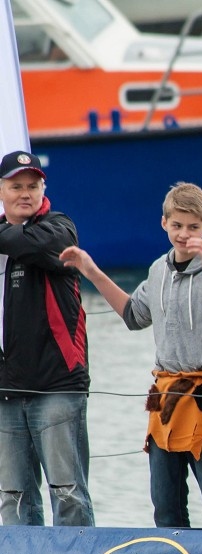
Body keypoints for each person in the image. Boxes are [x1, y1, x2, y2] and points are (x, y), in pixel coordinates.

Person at [61, 182, 202, 529]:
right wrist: (91, 271)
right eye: (177, 225)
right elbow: (134, 315)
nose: (184, 234)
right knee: (165, 504)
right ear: (164, 223)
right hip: (165, 398)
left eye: (193, 227)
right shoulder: (157, 270)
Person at [0, 150, 94, 526]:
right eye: (16, 186)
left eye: (33, 186)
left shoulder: (60, 227)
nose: (25, 193)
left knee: (68, 493)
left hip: (57, 386)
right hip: (5, 389)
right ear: (2, 190)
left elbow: (34, 246)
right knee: (12, 499)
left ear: (44, 188)